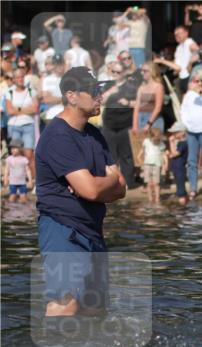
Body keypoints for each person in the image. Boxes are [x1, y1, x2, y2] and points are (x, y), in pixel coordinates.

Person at [35, 67, 126, 317]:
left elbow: (121, 187)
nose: (100, 96)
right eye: (94, 91)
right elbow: (92, 190)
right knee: (66, 304)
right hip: (63, 229)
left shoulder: (94, 134)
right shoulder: (57, 136)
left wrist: (102, 183)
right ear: (72, 96)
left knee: (95, 311)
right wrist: (104, 182)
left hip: (93, 231)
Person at [100, 61, 139, 189]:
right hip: (109, 125)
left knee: (126, 155)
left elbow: (138, 103)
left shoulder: (131, 86)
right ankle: (112, 182)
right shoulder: (108, 86)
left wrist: (127, 102)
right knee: (110, 156)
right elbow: (101, 100)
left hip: (125, 124)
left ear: (124, 73)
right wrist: (113, 90)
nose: (116, 74)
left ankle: (127, 182)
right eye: (113, 72)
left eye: (118, 72)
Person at [4, 68, 38, 183]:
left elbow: (35, 108)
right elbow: (9, 111)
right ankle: (18, 181)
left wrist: (18, 109)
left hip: (28, 125)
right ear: (13, 79)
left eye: (22, 77)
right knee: (16, 154)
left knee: (29, 154)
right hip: (13, 126)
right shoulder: (9, 92)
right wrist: (26, 109)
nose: (20, 79)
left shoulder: (30, 90)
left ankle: (35, 182)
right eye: (17, 77)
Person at [132, 61, 164, 135]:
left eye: (145, 71)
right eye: (141, 70)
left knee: (153, 146)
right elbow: (136, 107)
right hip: (141, 118)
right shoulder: (141, 87)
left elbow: (158, 108)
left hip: (154, 120)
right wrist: (134, 125)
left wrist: (148, 125)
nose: (142, 73)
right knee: (140, 145)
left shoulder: (158, 87)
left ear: (152, 72)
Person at [141, 127, 165, 204]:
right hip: (147, 164)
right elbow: (144, 152)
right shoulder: (146, 142)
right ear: (151, 136)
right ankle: (150, 198)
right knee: (148, 183)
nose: (156, 140)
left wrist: (164, 164)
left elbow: (163, 155)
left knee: (156, 183)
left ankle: (157, 198)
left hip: (157, 164)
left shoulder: (161, 144)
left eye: (158, 139)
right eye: (155, 138)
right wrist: (142, 162)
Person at [167, 121, 188, 204]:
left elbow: (175, 153)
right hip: (177, 167)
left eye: (175, 133)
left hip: (180, 168)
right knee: (178, 182)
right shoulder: (181, 142)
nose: (173, 135)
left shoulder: (183, 143)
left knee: (180, 183)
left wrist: (171, 143)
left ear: (182, 133)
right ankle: (183, 198)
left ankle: (182, 199)